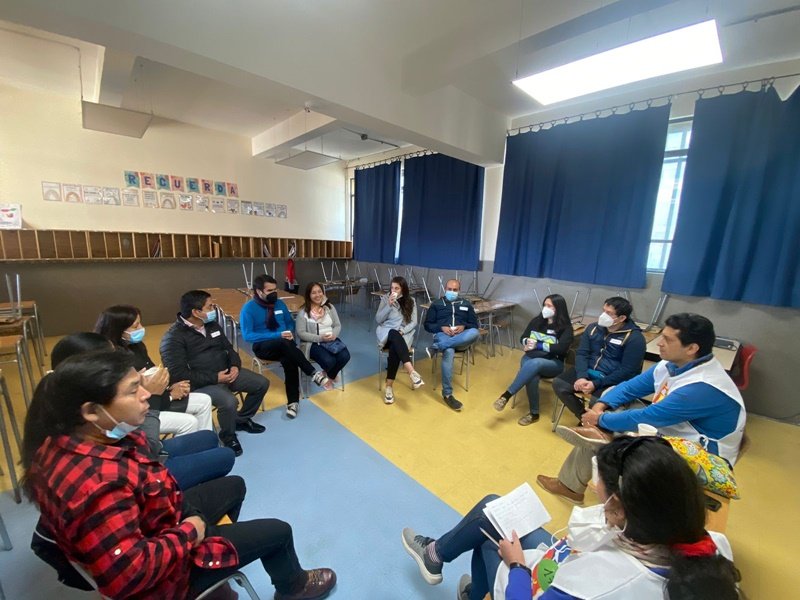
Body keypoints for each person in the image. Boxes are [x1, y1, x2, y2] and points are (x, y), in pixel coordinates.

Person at [21, 350, 337, 600]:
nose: (146, 394)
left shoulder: (64, 442)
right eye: (133, 390)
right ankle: (292, 588)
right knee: (279, 531)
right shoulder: (97, 484)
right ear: (91, 410)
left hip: (159, 519)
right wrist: (190, 531)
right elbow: (126, 576)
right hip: (166, 575)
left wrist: (187, 517)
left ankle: (218, 574)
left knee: (234, 486)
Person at [402, 436, 741, 600]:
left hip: (535, 587)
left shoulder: (602, 583)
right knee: (494, 511)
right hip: (568, 565)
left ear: (620, 506)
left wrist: (517, 565)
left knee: (492, 533)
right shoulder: (711, 547)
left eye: (598, 485)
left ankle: (442, 561)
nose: (592, 486)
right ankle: (457, 575)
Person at [538, 313, 746, 505]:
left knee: (609, 437)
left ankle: (585, 481)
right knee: (611, 399)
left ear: (692, 348)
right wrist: (599, 407)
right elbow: (630, 387)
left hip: (701, 458)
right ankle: (597, 443)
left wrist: (599, 419)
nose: (660, 343)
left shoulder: (702, 386)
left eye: (668, 340)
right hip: (672, 433)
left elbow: (649, 416)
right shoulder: (672, 364)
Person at [49, 333, 235, 491]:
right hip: (143, 468)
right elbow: (147, 449)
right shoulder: (93, 413)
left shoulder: (82, 398)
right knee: (226, 462)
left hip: (138, 451)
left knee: (209, 438)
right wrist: (151, 398)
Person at [161, 290, 270, 457]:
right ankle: (228, 436)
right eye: (210, 306)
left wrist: (235, 366)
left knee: (261, 383)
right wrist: (215, 378)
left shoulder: (212, 324)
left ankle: (240, 420)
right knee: (229, 401)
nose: (214, 309)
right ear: (196, 312)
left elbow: (229, 349)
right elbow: (179, 374)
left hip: (228, 373)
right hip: (201, 383)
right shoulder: (173, 338)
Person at [95, 304, 214, 436]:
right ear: (119, 330)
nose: (141, 328)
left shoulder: (137, 346)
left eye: (140, 323)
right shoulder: (111, 358)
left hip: (157, 398)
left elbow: (154, 372)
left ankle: (207, 442)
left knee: (204, 400)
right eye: (135, 326)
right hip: (138, 411)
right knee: (189, 422)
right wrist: (170, 396)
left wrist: (170, 386)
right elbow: (127, 399)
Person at [240, 275, 333, 420]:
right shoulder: (248, 309)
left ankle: (293, 402)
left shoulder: (279, 304)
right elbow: (248, 336)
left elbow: (289, 323)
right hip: (263, 346)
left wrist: (288, 332)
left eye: (275, 289)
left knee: (289, 359)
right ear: (259, 291)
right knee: (285, 344)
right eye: (269, 290)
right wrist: (278, 335)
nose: (274, 293)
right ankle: (313, 373)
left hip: (285, 345)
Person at [551, 297, 645, 423]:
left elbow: (628, 370)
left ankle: (594, 423)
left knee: (598, 402)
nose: (603, 315)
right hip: (588, 371)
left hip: (611, 378)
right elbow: (582, 353)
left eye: (609, 313)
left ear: (622, 318)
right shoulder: (593, 328)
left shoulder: (635, 338)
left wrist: (596, 384)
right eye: (603, 310)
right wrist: (581, 376)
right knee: (559, 384)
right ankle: (584, 418)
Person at [493, 294, 574, 425]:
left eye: (549, 306)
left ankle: (506, 396)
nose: (545, 308)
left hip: (553, 363)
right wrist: (527, 342)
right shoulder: (537, 321)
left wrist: (539, 345)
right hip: (531, 356)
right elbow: (523, 337)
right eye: (544, 305)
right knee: (532, 376)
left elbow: (561, 349)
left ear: (558, 309)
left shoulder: (566, 328)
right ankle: (534, 414)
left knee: (534, 364)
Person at [423, 279, 480, 411]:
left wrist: (464, 326)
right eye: (449, 289)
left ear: (459, 290)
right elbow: (427, 325)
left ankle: (436, 348)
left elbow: (474, 324)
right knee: (448, 351)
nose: (452, 292)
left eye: (455, 290)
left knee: (475, 332)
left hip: (461, 337)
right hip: (443, 334)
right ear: (445, 289)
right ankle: (448, 394)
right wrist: (441, 327)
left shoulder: (466, 304)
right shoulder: (436, 304)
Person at [375, 276, 424, 404]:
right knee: (393, 333)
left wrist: (402, 331)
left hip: (403, 334)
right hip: (386, 332)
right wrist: (388, 305)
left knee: (395, 348)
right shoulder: (385, 299)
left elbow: (414, 322)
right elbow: (378, 319)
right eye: (392, 288)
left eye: (396, 288)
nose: (393, 291)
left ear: (403, 289)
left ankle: (389, 387)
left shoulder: (411, 301)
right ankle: (411, 371)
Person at [295, 282, 351, 387]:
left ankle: (330, 375)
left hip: (331, 340)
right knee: (329, 361)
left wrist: (334, 335)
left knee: (345, 356)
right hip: (312, 343)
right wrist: (320, 338)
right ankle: (330, 373)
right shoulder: (303, 312)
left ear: (323, 292)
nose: (318, 295)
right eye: (313, 293)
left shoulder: (329, 307)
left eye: (319, 292)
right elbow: (301, 333)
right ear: (308, 295)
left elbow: (337, 325)